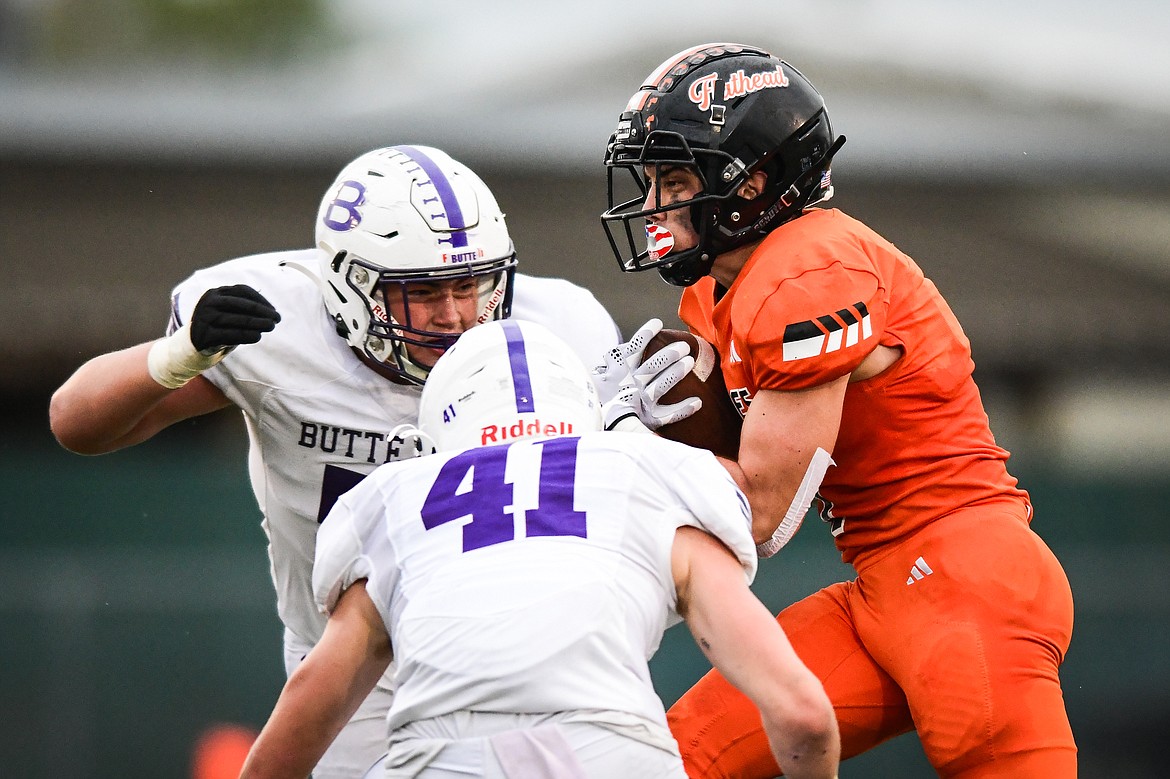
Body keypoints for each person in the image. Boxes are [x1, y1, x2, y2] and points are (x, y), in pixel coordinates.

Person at [48, 145, 621, 779]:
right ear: (350, 283)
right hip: (352, 677)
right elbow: (78, 427)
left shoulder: (557, 329)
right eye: (424, 291)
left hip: (517, 661)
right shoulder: (281, 326)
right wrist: (175, 355)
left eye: (470, 285)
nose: (456, 315)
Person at [597, 43, 1076, 777]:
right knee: (679, 756)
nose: (657, 205)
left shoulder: (813, 270)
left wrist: (629, 445)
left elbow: (761, 512)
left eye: (676, 180)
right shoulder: (724, 289)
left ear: (752, 182)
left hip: (964, 576)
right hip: (882, 582)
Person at [237, 319, 840, 779]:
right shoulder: (653, 473)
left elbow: (306, 711)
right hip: (609, 756)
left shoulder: (394, 498)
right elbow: (804, 716)